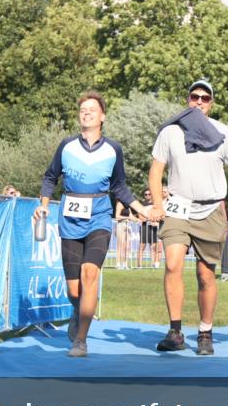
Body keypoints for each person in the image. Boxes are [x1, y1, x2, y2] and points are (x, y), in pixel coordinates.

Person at [147, 79, 228, 355]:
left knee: (205, 275)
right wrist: (157, 204)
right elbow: (156, 172)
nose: (199, 101)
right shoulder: (170, 133)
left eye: (205, 97)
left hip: (211, 209)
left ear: (211, 103)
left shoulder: (224, 133)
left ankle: (205, 332)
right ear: (187, 99)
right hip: (178, 208)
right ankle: (176, 332)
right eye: (194, 96)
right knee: (173, 264)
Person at [35, 91, 150, 357]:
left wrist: (141, 208)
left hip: (99, 216)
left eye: (92, 109)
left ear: (102, 116)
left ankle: (81, 341)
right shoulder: (66, 146)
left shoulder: (113, 149)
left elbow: (119, 187)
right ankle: (78, 309)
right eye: (83, 110)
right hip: (70, 218)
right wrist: (43, 204)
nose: (86, 113)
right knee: (73, 288)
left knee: (90, 273)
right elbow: (50, 177)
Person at [138, 188, 162, 268]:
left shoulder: (155, 204)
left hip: (154, 228)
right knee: (142, 246)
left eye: (149, 194)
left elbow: (158, 215)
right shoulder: (142, 204)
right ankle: (139, 265)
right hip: (145, 226)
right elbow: (140, 217)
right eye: (146, 194)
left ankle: (153, 264)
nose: (147, 196)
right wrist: (149, 218)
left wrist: (154, 220)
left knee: (154, 246)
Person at [114, 201, 133, 270]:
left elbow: (131, 216)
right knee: (120, 245)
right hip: (121, 225)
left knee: (127, 246)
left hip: (128, 226)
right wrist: (126, 218)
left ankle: (125, 264)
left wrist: (138, 220)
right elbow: (117, 216)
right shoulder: (119, 204)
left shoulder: (128, 205)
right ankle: (118, 264)